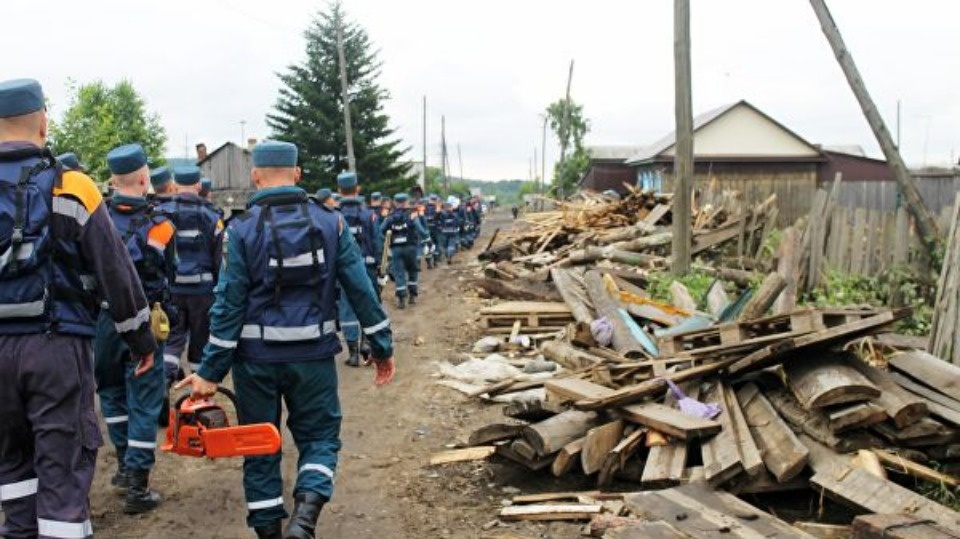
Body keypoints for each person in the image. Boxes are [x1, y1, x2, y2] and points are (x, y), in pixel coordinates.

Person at [177, 140, 395, 539]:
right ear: (297, 174)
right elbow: (360, 289)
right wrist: (381, 346)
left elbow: (227, 306)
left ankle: (271, 533)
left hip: (255, 363)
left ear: (255, 176)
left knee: (258, 447)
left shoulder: (241, 229)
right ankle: (305, 519)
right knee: (320, 439)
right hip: (313, 359)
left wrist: (209, 372)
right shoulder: (332, 223)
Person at [0, 78, 157, 539]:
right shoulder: (73, 187)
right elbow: (116, 273)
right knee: (63, 474)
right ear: (44, 123)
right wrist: (140, 340)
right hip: (56, 349)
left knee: (13, 475)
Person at [95, 143, 176, 515]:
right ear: (145, 179)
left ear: (112, 180)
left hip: (102, 320)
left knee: (111, 393)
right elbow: (169, 276)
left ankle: (125, 466)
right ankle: (138, 486)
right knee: (144, 399)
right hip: (143, 320)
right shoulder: (161, 226)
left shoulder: (94, 219)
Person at [158, 165, 224, 381]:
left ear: (175, 185)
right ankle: (200, 396)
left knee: (172, 339)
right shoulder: (212, 216)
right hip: (203, 293)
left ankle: (163, 388)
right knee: (200, 340)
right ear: (198, 185)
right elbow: (219, 261)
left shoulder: (160, 213)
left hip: (171, 290)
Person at [336, 171, 383, 367]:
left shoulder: (334, 216)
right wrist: (380, 265)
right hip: (367, 267)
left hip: (343, 269)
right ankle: (366, 343)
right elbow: (377, 241)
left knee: (347, 309)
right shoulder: (369, 215)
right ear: (358, 189)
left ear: (339, 190)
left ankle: (353, 353)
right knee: (367, 303)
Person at [379, 193, 428, 309]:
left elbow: (380, 231)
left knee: (399, 273)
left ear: (395, 203)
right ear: (406, 202)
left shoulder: (390, 217)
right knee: (413, 271)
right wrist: (427, 238)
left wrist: (386, 243)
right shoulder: (412, 215)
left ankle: (401, 298)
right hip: (411, 248)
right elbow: (421, 230)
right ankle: (412, 296)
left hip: (396, 249)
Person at [438, 199, 462, 264]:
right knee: (451, 245)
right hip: (453, 232)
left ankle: (447, 255)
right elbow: (458, 223)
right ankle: (449, 256)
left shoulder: (442, 214)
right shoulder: (455, 215)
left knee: (445, 245)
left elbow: (439, 222)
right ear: (451, 207)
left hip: (444, 232)